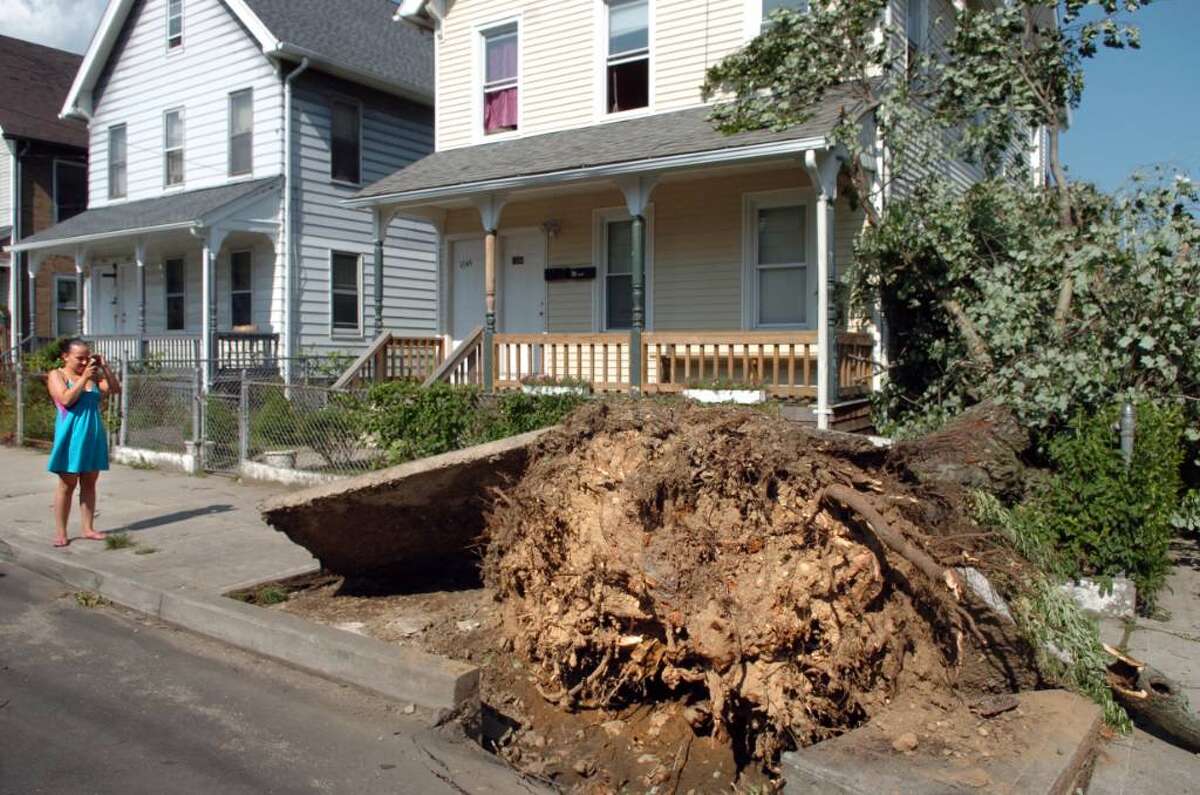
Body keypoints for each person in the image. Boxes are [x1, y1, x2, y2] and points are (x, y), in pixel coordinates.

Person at [45, 339, 120, 548]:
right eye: (80, 358)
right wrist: (83, 378)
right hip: (71, 436)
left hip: (92, 435)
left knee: (89, 483)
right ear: (65, 356)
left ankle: (88, 528)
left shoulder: (93, 377)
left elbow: (115, 389)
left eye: (87, 357)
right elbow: (66, 399)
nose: (84, 361)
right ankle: (61, 532)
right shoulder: (56, 375)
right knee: (67, 484)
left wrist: (105, 367)